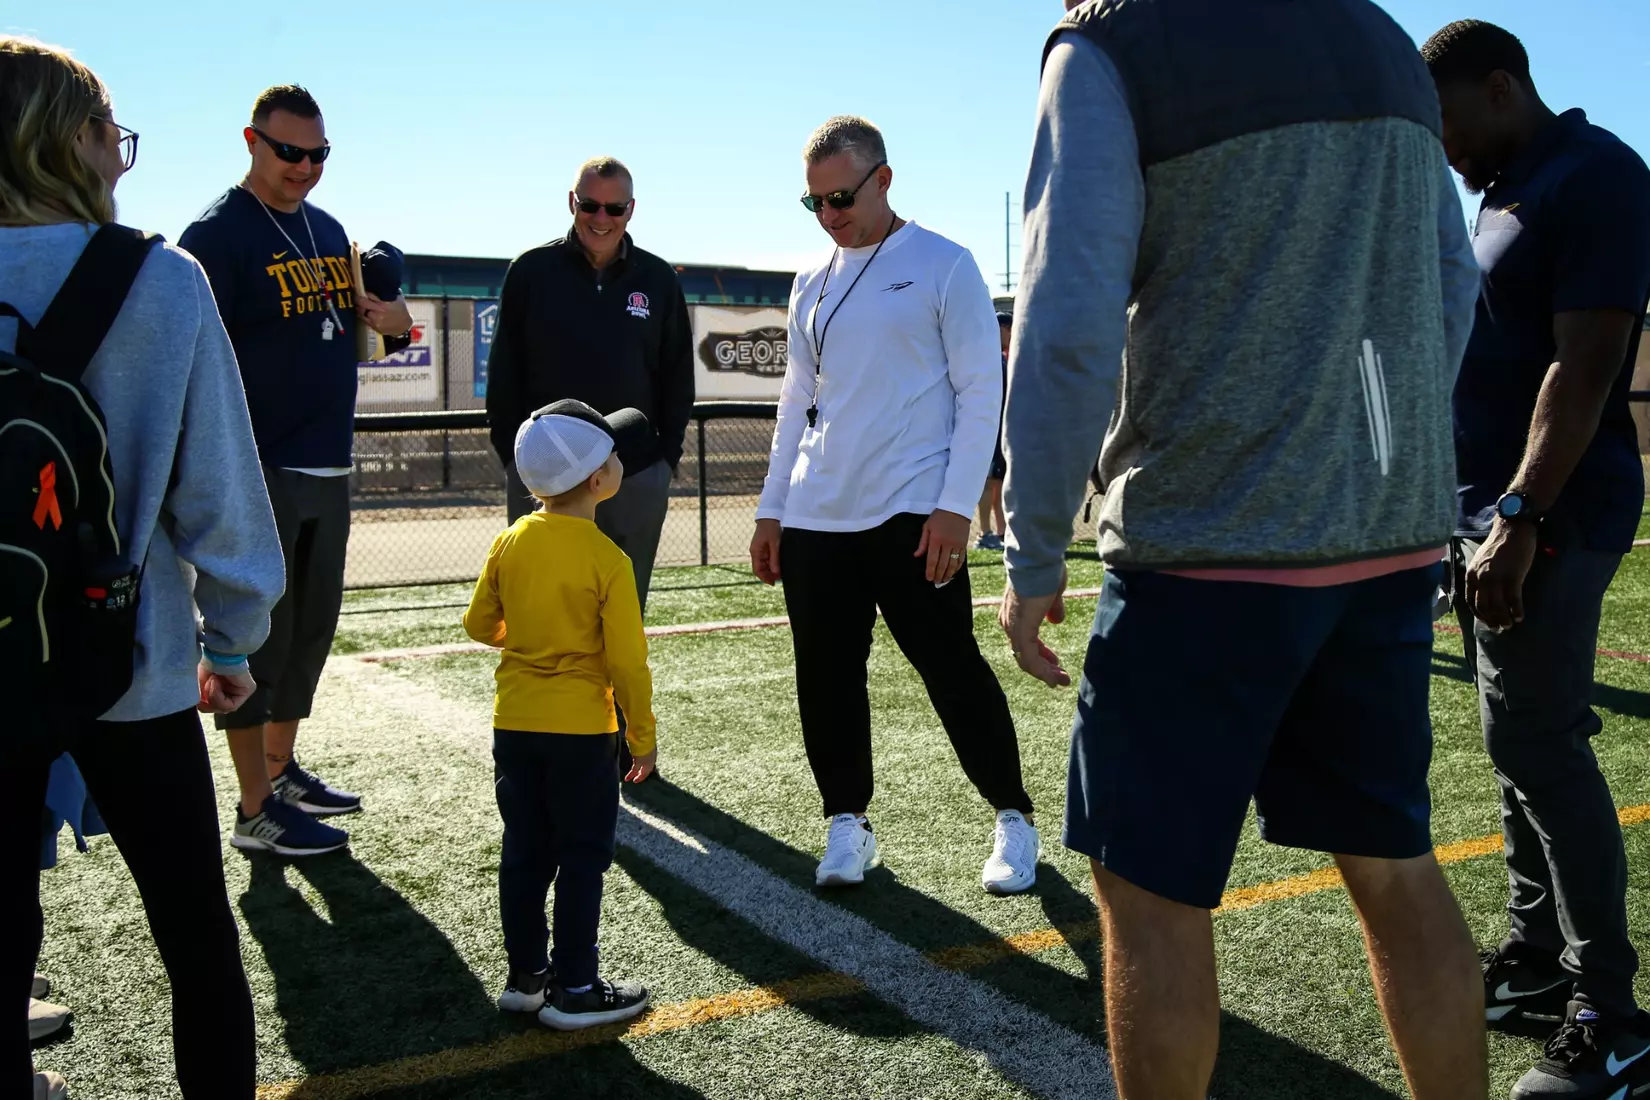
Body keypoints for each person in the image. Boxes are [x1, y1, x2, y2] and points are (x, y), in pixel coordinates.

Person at [998, 4, 1488, 1098]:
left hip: (1203, 549)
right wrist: (1375, 450)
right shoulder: (1380, 40)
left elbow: (1068, 320)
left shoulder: (1112, 43)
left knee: (1152, 893)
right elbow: (1452, 289)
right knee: (1400, 872)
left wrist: (1032, 553)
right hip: (1385, 540)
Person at [0, 35, 285, 1099]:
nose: (117, 159)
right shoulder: (162, 283)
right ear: (62, 141)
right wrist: (236, 637)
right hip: (132, 654)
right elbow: (219, 492)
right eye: (105, 135)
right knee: (194, 933)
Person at [1422, 20, 1650, 1100]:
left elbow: (1588, 359)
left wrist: (1517, 513)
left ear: (1503, 87)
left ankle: (1613, 1013)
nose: (1446, 148)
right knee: (1512, 746)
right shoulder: (1503, 188)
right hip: (1489, 515)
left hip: (1552, 513)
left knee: (1542, 747)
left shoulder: (1594, 174)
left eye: (1451, 124)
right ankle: (1534, 962)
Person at [750, 116, 1039, 895]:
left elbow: (983, 392)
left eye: (840, 196)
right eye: (813, 203)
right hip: (817, 517)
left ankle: (1014, 817)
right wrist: (770, 509)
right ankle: (847, 823)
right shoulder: (810, 280)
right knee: (827, 678)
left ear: (883, 179)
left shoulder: (945, 264)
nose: (829, 214)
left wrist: (953, 507)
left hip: (914, 514)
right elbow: (795, 402)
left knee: (952, 670)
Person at [180, 85, 415, 857]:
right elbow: (192, 360)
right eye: (290, 152)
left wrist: (393, 322)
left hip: (327, 462)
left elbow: (363, 339)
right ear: (252, 141)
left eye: (318, 154)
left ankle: (279, 773)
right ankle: (254, 808)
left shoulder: (328, 229)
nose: (305, 167)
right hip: (256, 465)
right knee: (256, 636)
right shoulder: (216, 236)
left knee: (311, 633)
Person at [463, 399, 658, 1032]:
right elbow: (628, 664)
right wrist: (643, 739)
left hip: (514, 722)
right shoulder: (609, 559)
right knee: (581, 856)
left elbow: (478, 624)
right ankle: (576, 985)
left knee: (524, 851)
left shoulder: (510, 540)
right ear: (599, 480)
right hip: (582, 731)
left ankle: (526, 980)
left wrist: (530, 642)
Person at [483, 156, 695, 613]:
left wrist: (663, 460)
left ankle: (616, 691)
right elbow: (503, 375)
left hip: (632, 474)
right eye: (590, 206)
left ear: (631, 210)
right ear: (571, 203)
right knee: (539, 616)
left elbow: (677, 377)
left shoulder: (657, 279)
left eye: (614, 209)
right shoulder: (530, 271)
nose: (601, 219)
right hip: (545, 480)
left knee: (619, 618)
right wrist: (516, 461)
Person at [975, 311, 1012, 551]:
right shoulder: (987, 357)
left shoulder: (1000, 358)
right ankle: (984, 534)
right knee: (987, 482)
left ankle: (1001, 532)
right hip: (987, 428)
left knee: (999, 482)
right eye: (1009, 330)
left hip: (1000, 429)